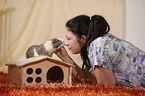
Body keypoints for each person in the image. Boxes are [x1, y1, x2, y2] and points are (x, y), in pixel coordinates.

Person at [55, 14, 145, 88]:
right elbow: (85, 78)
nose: (66, 43)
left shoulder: (98, 46)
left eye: (69, 39)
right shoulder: (95, 44)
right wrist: (64, 57)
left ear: (83, 38)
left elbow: (106, 87)